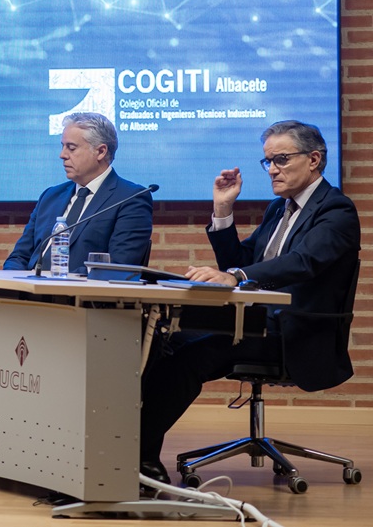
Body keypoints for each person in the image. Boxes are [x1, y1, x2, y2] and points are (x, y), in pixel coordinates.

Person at [139, 120, 360, 483]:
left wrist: (238, 275)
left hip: (296, 333)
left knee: (193, 356)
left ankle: (138, 461)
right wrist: (223, 210)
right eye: (267, 161)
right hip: (256, 324)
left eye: (281, 159)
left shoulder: (337, 210)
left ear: (314, 159)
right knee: (164, 338)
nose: (271, 169)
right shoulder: (278, 209)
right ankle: (133, 452)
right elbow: (239, 261)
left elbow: (303, 261)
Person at [3, 112, 152, 274]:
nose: (62, 155)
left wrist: (56, 279)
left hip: (80, 289)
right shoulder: (50, 196)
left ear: (101, 151)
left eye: (71, 148)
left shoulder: (131, 199)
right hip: (30, 286)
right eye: (62, 146)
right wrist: (13, 279)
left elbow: (118, 265)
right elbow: (18, 257)